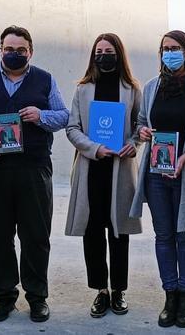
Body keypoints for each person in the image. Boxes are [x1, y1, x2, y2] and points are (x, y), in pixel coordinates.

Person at [0, 26, 70, 323]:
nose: (14, 54)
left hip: (34, 168)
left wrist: (41, 116)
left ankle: (37, 297)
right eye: (9, 49)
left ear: (31, 51)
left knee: (35, 236)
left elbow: (64, 116)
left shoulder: (45, 79)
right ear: (0, 49)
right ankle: (4, 297)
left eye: (20, 50)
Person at [130, 30, 185, 329]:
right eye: (165, 49)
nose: (169, 53)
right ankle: (170, 295)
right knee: (164, 236)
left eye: (175, 48)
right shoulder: (152, 87)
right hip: (157, 174)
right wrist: (142, 133)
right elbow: (143, 123)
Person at [64, 33, 143, 318]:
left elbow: (141, 126)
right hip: (92, 169)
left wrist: (133, 145)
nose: (103, 55)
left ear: (118, 54)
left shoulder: (132, 89)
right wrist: (94, 148)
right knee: (93, 230)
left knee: (119, 231)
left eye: (109, 50)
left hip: (120, 170)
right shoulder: (83, 89)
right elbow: (72, 128)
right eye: (99, 51)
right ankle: (100, 290)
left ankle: (119, 289)